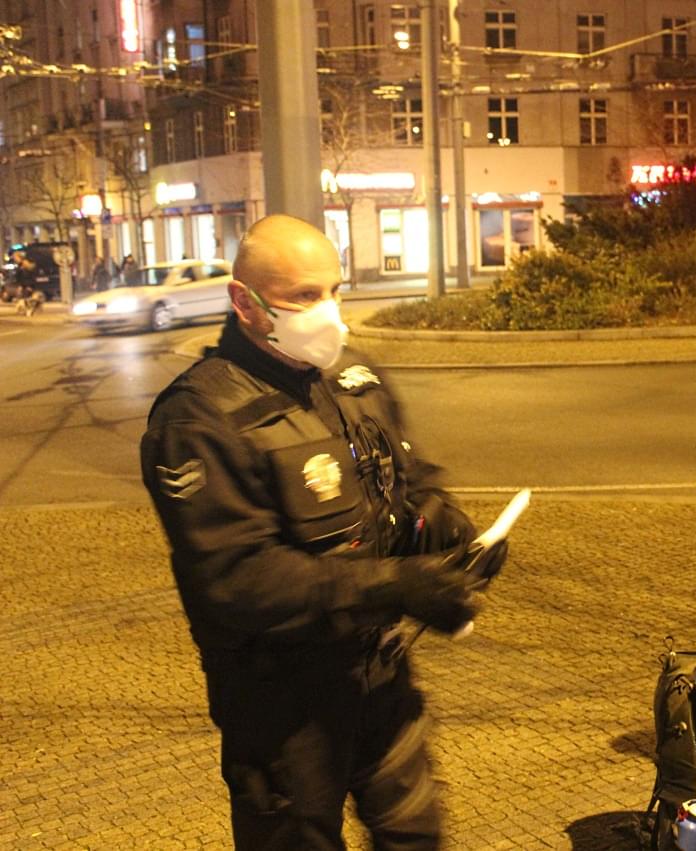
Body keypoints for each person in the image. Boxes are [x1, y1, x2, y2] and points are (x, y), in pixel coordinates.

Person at [140, 214, 507, 849]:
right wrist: (396, 585)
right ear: (244, 303)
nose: (328, 311)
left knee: (416, 835)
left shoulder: (353, 378)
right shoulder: (199, 418)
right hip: (282, 709)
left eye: (335, 290)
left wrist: (451, 535)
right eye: (304, 296)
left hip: (381, 679)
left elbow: (410, 483)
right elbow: (238, 578)